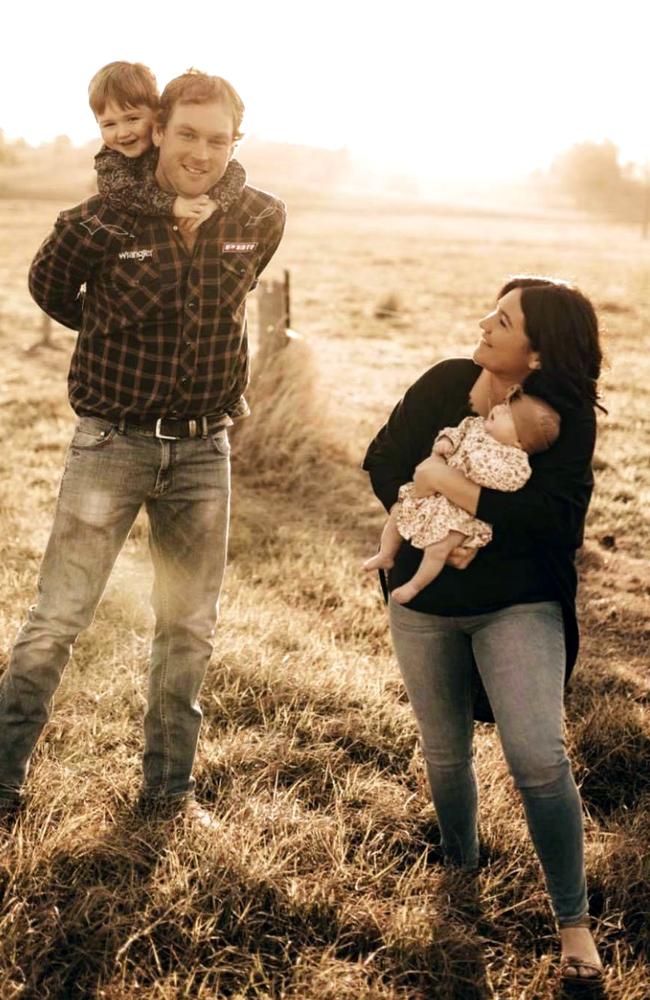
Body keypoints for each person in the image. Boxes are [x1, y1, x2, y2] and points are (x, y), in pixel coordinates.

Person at [0, 69, 286, 830]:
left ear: (236, 141)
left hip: (204, 452)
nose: (200, 152)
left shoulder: (259, 215)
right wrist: (132, 282)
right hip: (112, 442)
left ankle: (168, 793)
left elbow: (234, 291)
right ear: (158, 130)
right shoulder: (99, 222)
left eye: (216, 139)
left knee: (188, 625)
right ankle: (2, 781)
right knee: (59, 618)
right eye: (185, 134)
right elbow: (52, 292)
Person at [363, 276, 605, 988]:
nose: (485, 324)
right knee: (444, 754)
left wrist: (454, 493)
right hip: (422, 604)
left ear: (536, 353)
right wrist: (433, 517)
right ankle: (460, 872)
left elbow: (558, 523)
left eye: (502, 320)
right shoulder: (444, 382)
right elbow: (385, 461)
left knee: (537, 756)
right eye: (491, 312)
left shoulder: (562, 415)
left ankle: (574, 926)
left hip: (519, 603)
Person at [363, 391, 560, 603]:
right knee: (399, 512)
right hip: (433, 496)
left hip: (462, 515)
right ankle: (386, 554)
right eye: (504, 403)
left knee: (439, 548)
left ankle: (415, 585)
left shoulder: (516, 462)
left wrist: (470, 466)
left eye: (509, 414)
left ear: (520, 442)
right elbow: (455, 431)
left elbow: (506, 483)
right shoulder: (475, 426)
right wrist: (446, 440)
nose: (500, 408)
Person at [89, 60, 218, 230]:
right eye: (109, 124)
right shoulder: (109, 159)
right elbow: (120, 193)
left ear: (158, 114)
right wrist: (172, 205)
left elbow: (233, 172)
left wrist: (214, 203)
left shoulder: (173, 144)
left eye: (132, 119)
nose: (122, 133)